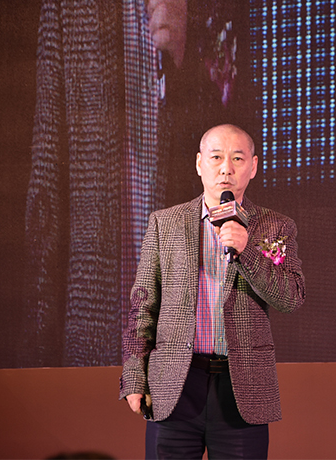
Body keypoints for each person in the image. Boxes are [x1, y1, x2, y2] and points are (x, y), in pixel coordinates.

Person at [120, 124, 306, 459]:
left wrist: (247, 251)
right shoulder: (166, 223)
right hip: (174, 385)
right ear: (199, 163)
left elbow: (291, 298)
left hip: (241, 389)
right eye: (216, 157)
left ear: (253, 166)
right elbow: (142, 306)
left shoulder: (275, 226)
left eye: (237, 158)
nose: (226, 168)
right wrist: (134, 377)